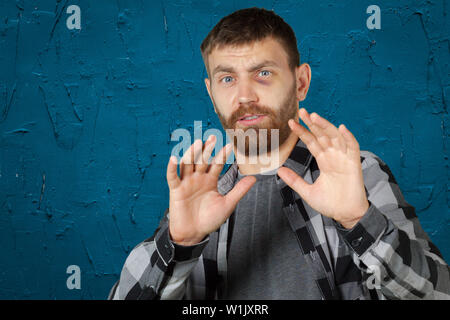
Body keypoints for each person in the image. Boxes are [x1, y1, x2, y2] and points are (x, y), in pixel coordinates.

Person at [108, 7, 449, 300]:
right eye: (227, 79)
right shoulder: (203, 196)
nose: (244, 96)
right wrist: (177, 245)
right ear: (211, 94)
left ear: (301, 83)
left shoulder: (358, 173)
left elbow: (439, 292)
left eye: (263, 74)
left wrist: (359, 221)